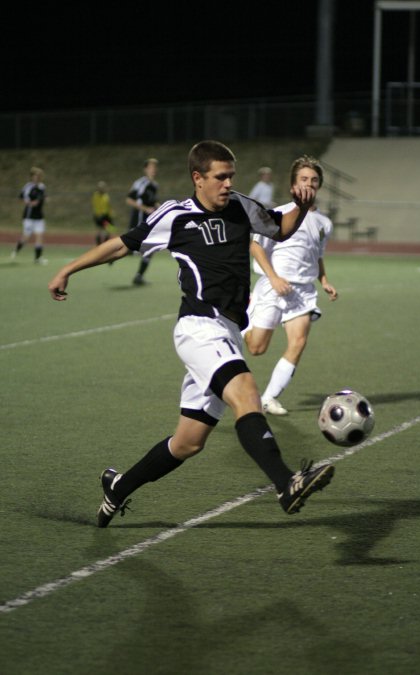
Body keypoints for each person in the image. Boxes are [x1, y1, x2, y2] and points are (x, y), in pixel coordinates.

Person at [48, 140, 335, 528]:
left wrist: (300, 207)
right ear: (197, 178)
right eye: (220, 177)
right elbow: (122, 246)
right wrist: (69, 268)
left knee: (188, 442)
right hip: (200, 327)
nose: (228, 184)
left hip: (229, 332)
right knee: (247, 393)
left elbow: (279, 230)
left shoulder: (241, 206)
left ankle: (117, 487)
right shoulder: (175, 215)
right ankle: (286, 483)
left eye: (231, 175)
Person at [244, 155, 338, 416]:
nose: (309, 184)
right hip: (273, 286)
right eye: (304, 179)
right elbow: (255, 246)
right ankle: (245, 313)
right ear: (293, 186)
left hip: (303, 292)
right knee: (256, 348)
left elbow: (316, 255)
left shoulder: (324, 223)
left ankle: (269, 397)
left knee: (298, 342)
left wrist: (324, 280)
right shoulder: (279, 214)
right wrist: (273, 277)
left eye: (314, 180)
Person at [125, 157, 160, 285]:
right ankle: (108, 257)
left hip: (149, 221)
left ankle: (139, 276)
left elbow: (152, 202)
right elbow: (129, 200)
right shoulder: (140, 183)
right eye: (151, 167)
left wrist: (158, 206)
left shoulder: (154, 185)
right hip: (138, 220)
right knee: (127, 247)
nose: (153, 170)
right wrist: (145, 209)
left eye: (155, 167)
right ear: (145, 169)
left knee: (151, 248)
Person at [11, 167, 48, 264]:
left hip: (39, 216)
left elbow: (43, 197)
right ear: (32, 177)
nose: (37, 178)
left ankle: (38, 258)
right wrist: (28, 203)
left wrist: (43, 199)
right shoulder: (28, 186)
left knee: (39, 236)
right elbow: (21, 198)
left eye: (39, 176)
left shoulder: (42, 186)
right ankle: (16, 251)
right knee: (26, 237)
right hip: (29, 216)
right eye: (35, 176)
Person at [91, 181, 116, 246]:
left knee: (109, 230)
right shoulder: (97, 196)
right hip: (100, 216)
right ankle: (99, 245)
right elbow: (97, 205)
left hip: (105, 216)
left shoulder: (105, 196)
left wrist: (111, 214)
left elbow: (109, 206)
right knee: (100, 230)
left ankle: (104, 244)